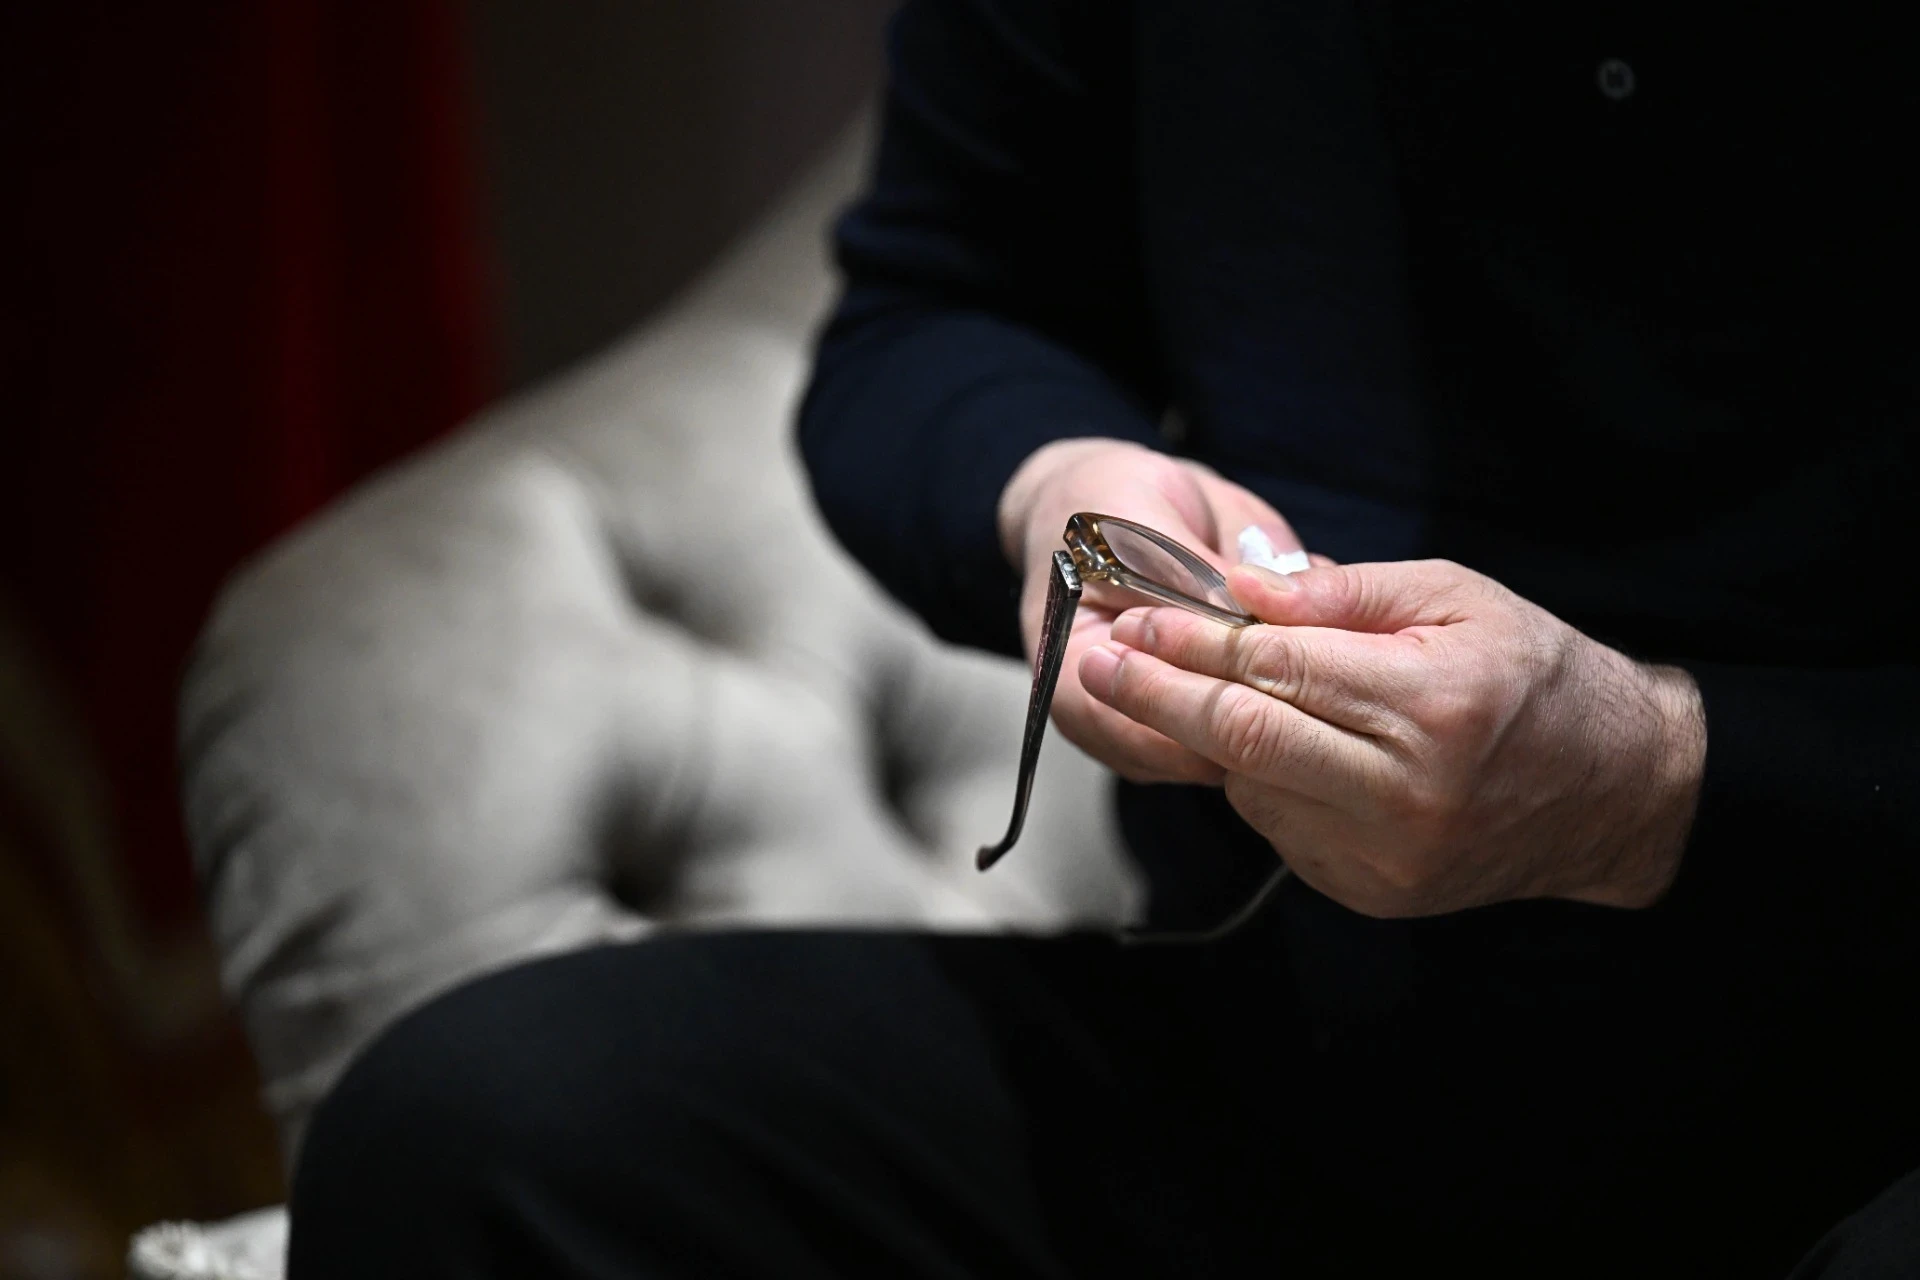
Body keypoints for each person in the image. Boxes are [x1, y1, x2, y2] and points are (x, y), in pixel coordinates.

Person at [288, 3, 1919, 1275]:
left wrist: (1661, 780)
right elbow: (934, 302)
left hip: (1853, 1095)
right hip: (1280, 1079)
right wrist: (1051, 487)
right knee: (467, 1137)